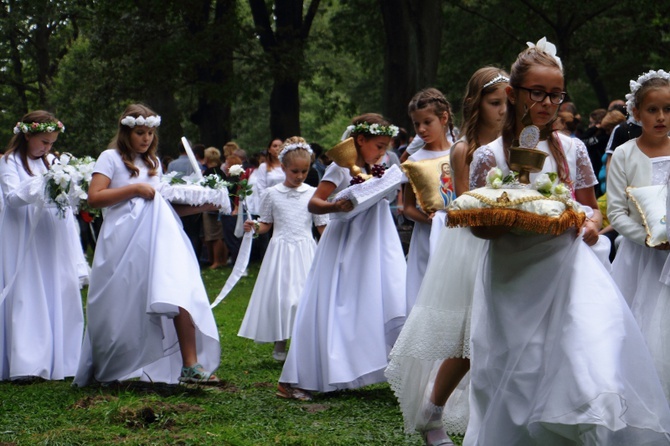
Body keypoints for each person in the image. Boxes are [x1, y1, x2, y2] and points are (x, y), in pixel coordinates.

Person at [463, 38, 670, 445]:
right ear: (512, 93)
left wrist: (592, 224)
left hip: (570, 268)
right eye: (536, 92)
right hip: (514, 275)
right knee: (521, 373)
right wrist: (512, 212)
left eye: (555, 95)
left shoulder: (572, 149)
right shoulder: (489, 156)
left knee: (584, 357)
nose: (546, 102)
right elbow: (478, 225)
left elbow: (592, 209)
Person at [386, 67, 508, 446]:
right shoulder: (464, 150)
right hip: (475, 242)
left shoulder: (521, 141)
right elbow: (464, 206)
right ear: (475, 104)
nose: (505, 110)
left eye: (509, 102)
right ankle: (433, 408)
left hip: (517, 241)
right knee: (470, 335)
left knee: (509, 332)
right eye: (495, 102)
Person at [74, 103, 220, 386]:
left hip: (159, 239)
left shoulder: (153, 164)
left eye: (151, 133)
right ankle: (120, 364)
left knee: (177, 289)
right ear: (126, 131)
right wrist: (135, 189)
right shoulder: (110, 158)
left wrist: (206, 204)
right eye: (140, 133)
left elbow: (162, 205)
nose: (146, 139)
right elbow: (94, 197)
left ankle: (189, 364)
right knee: (124, 300)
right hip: (124, 240)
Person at [277, 113, 406, 401]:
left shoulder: (381, 165)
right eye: (379, 145)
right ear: (361, 140)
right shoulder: (340, 167)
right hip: (346, 239)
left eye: (386, 147)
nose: (383, 152)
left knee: (379, 297)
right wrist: (338, 206)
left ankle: (363, 367)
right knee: (336, 302)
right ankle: (302, 376)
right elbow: (315, 203)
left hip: (376, 238)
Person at [0, 111, 85, 381]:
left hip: (52, 234)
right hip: (25, 233)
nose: (48, 148)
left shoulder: (51, 161)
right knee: (29, 289)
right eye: (44, 142)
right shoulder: (10, 162)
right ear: (27, 135)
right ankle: (29, 362)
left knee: (58, 287)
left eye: (52, 142)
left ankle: (66, 358)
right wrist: (45, 183)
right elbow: (12, 198)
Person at [607, 70, 670, 400]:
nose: (661, 117)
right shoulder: (624, 155)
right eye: (652, 110)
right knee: (641, 330)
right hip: (640, 260)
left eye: (668, 109)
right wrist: (651, 239)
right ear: (636, 113)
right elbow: (616, 213)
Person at [238, 137, 328, 362]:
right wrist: (255, 226)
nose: (299, 176)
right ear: (283, 167)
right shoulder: (271, 194)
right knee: (283, 297)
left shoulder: (312, 194)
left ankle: (303, 344)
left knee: (303, 298)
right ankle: (280, 341)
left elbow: (321, 227)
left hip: (306, 250)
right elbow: (266, 223)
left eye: (304, 171)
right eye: (294, 171)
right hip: (280, 251)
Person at [402, 88, 453, 311]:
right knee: (427, 289)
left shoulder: (460, 152)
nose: (421, 129)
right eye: (416, 124)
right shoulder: (414, 161)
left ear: (443, 118)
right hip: (428, 234)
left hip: (460, 229)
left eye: (427, 122)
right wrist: (428, 219)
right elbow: (407, 207)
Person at [201, 147, 228, 269]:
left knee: (214, 235)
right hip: (220, 205)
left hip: (212, 206)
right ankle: (221, 259)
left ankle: (217, 261)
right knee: (218, 234)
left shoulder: (208, 173)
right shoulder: (220, 171)